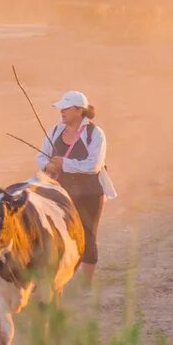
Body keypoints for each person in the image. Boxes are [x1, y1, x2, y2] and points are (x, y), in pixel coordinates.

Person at [35, 90, 117, 281]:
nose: (61, 111)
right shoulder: (55, 131)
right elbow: (40, 155)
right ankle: (63, 275)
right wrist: (47, 165)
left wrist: (64, 163)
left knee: (87, 236)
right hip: (61, 192)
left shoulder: (94, 134)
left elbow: (94, 165)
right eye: (61, 108)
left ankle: (87, 283)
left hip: (90, 192)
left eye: (66, 108)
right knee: (59, 235)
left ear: (79, 111)